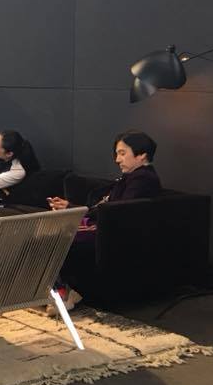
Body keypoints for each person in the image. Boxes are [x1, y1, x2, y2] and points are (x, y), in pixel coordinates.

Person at [47, 130, 161, 310]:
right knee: (52, 232)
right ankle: (60, 288)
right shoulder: (131, 177)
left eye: (122, 153)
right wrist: (72, 207)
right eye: (117, 154)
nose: (117, 159)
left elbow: (118, 210)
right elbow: (106, 206)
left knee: (56, 237)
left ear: (141, 155)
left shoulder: (143, 179)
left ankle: (63, 292)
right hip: (105, 226)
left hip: (113, 232)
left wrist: (75, 211)